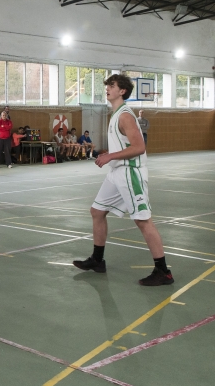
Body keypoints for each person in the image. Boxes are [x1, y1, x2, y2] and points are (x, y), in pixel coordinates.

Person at [73, 75, 173, 286]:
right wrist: (110, 153)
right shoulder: (116, 114)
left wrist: (110, 156)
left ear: (122, 91)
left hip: (130, 172)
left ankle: (163, 271)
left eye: (112, 86)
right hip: (117, 172)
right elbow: (125, 145)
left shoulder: (125, 116)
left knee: (143, 220)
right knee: (97, 211)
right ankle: (98, 260)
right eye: (107, 85)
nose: (108, 88)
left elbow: (139, 147)